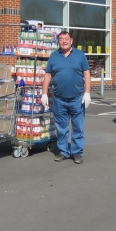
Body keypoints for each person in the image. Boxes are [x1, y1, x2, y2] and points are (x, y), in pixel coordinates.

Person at [41, 31, 90, 164]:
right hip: (59, 99)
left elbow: (86, 74)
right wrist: (44, 93)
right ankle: (63, 151)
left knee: (78, 127)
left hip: (77, 98)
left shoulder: (80, 55)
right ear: (58, 41)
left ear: (71, 40)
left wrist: (87, 92)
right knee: (61, 128)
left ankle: (77, 153)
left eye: (66, 39)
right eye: (61, 39)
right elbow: (48, 75)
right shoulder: (54, 56)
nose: (64, 41)